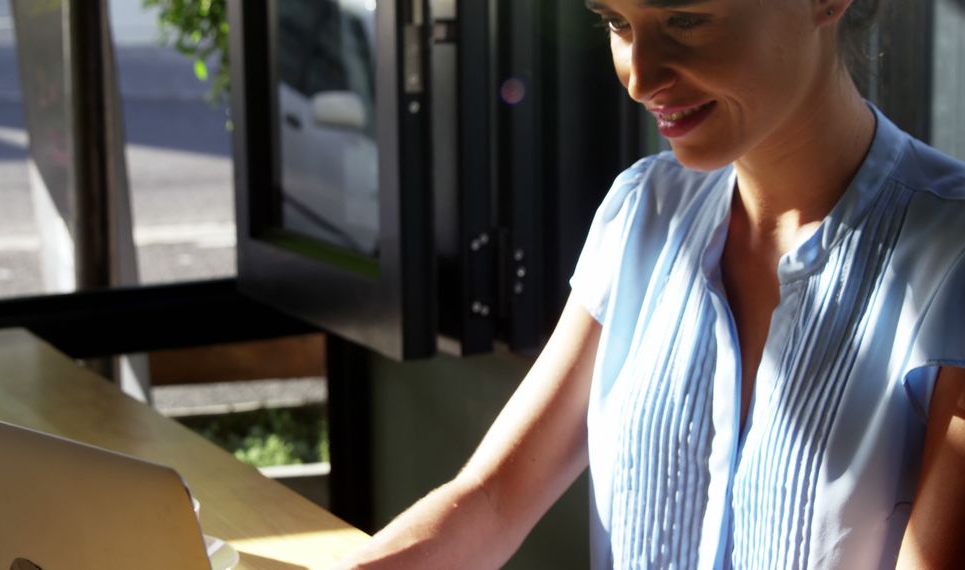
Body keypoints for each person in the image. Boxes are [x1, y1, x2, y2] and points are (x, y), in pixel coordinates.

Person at [332, 0, 965, 567]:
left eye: (684, 19)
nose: (640, 77)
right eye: (616, 22)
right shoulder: (643, 212)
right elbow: (492, 500)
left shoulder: (952, 261)